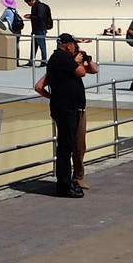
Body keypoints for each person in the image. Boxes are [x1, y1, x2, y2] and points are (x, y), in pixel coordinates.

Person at [34, 33, 91, 197]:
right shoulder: (61, 58)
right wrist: (78, 61)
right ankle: (64, 186)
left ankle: (67, 183)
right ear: (68, 45)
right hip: (65, 109)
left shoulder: (59, 59)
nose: (75, 47)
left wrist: (53, 97)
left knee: (68, 145)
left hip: (68, 107)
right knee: (65, 147)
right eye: (73, 44)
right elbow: (81, 72)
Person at [24, 0, 52, 67]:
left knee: (42, 46)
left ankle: (43, 61)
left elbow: (40, 17)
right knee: (33, 46)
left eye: (28, 3)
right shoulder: (34, 6)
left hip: (40, 29)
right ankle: (31, 61)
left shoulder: (40, 6)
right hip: (35, 29)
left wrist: (30, 16)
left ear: (31, 0)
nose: (28, 4)